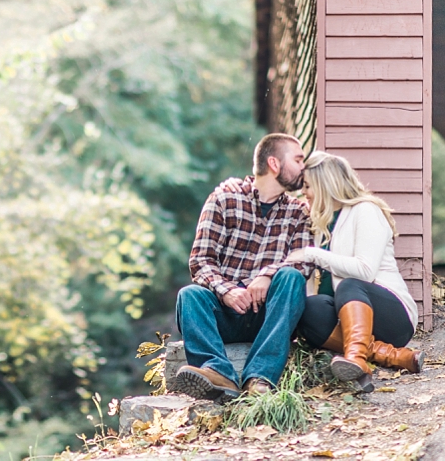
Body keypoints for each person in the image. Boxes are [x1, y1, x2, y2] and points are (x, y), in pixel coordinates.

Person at [172, 133, 313, 401]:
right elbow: (200, 261)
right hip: (227, 312)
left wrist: (266, 276)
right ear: (274, 163)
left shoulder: (298, 211)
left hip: (270, 316)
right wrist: (227, 291)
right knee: (188, 296)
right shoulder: (224, 199)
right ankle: (217, 372)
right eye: (297, 160)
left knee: (292, 277)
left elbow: (304, 259)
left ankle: (260, 377)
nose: (302, 167)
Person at [279, 151, 423, 393]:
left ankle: (357, 359)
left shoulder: (365, 210)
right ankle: (395, 357)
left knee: (350, 283)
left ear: (325, 184)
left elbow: (365, 271)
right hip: (347, 321)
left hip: (393, 316)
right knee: (308, 309)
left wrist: (313, 254)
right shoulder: (323, 225)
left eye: (307, 186)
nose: (303, 192)